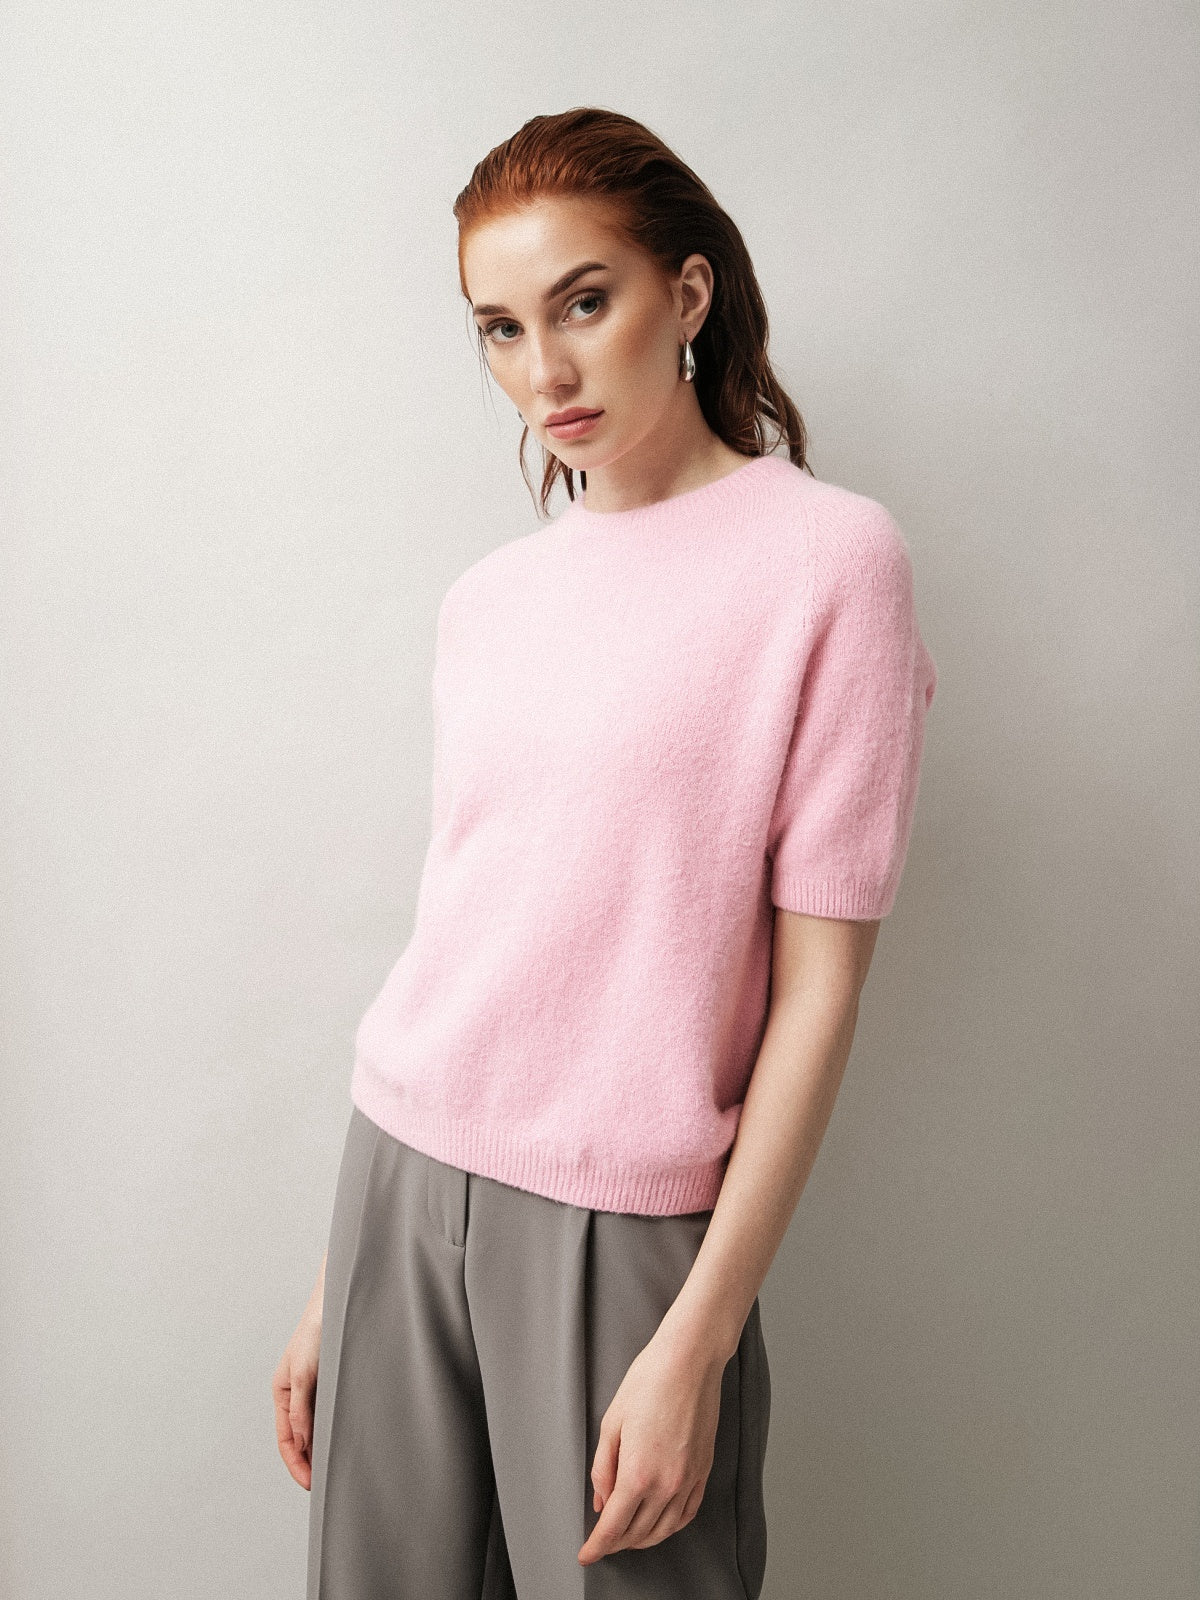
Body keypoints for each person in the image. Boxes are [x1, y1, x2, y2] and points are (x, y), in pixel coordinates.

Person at [273, 106, 938, 1599]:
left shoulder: (832, 563)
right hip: (397, 1184)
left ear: (687, 295)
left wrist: (700, 1333)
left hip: (624, 1221)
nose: (545, 373)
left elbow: (819, 990)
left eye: (584, 303)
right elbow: (473, 935)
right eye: (500, 329)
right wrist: (340, 1281)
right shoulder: (490, 601)